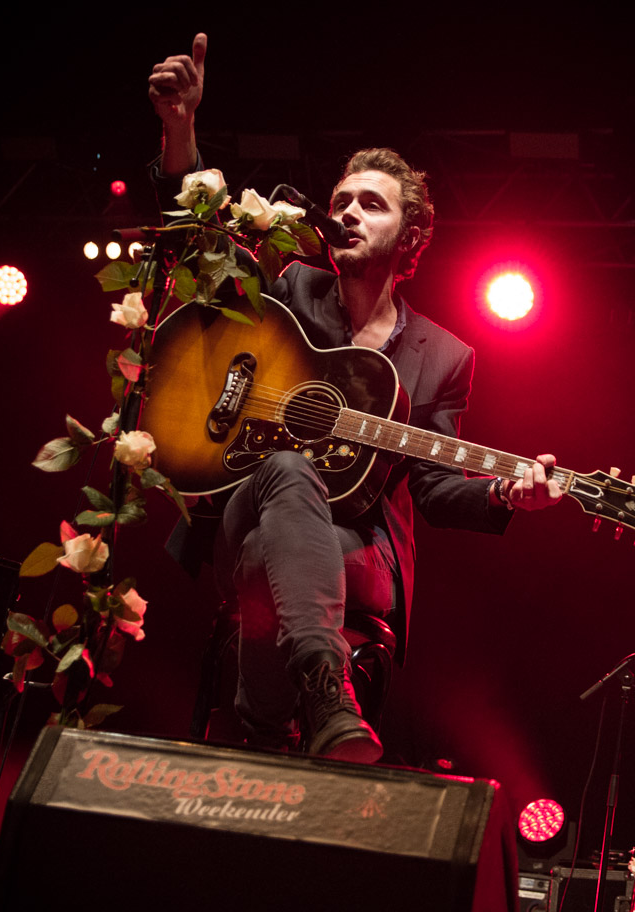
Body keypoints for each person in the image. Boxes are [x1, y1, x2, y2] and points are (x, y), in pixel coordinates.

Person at [148, 34, 564, 764]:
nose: (347, 213)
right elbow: (203, 252)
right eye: (341, 201)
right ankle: (327, 697)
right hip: (247, 500)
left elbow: (433, 486)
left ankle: (271, 724)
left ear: (412, 236)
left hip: (353, 541)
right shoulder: (288, 288)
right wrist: (180, 129)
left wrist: (505, 493)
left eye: (371, 205)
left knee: (273, 558)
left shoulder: (444, 356)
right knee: (285, 470)